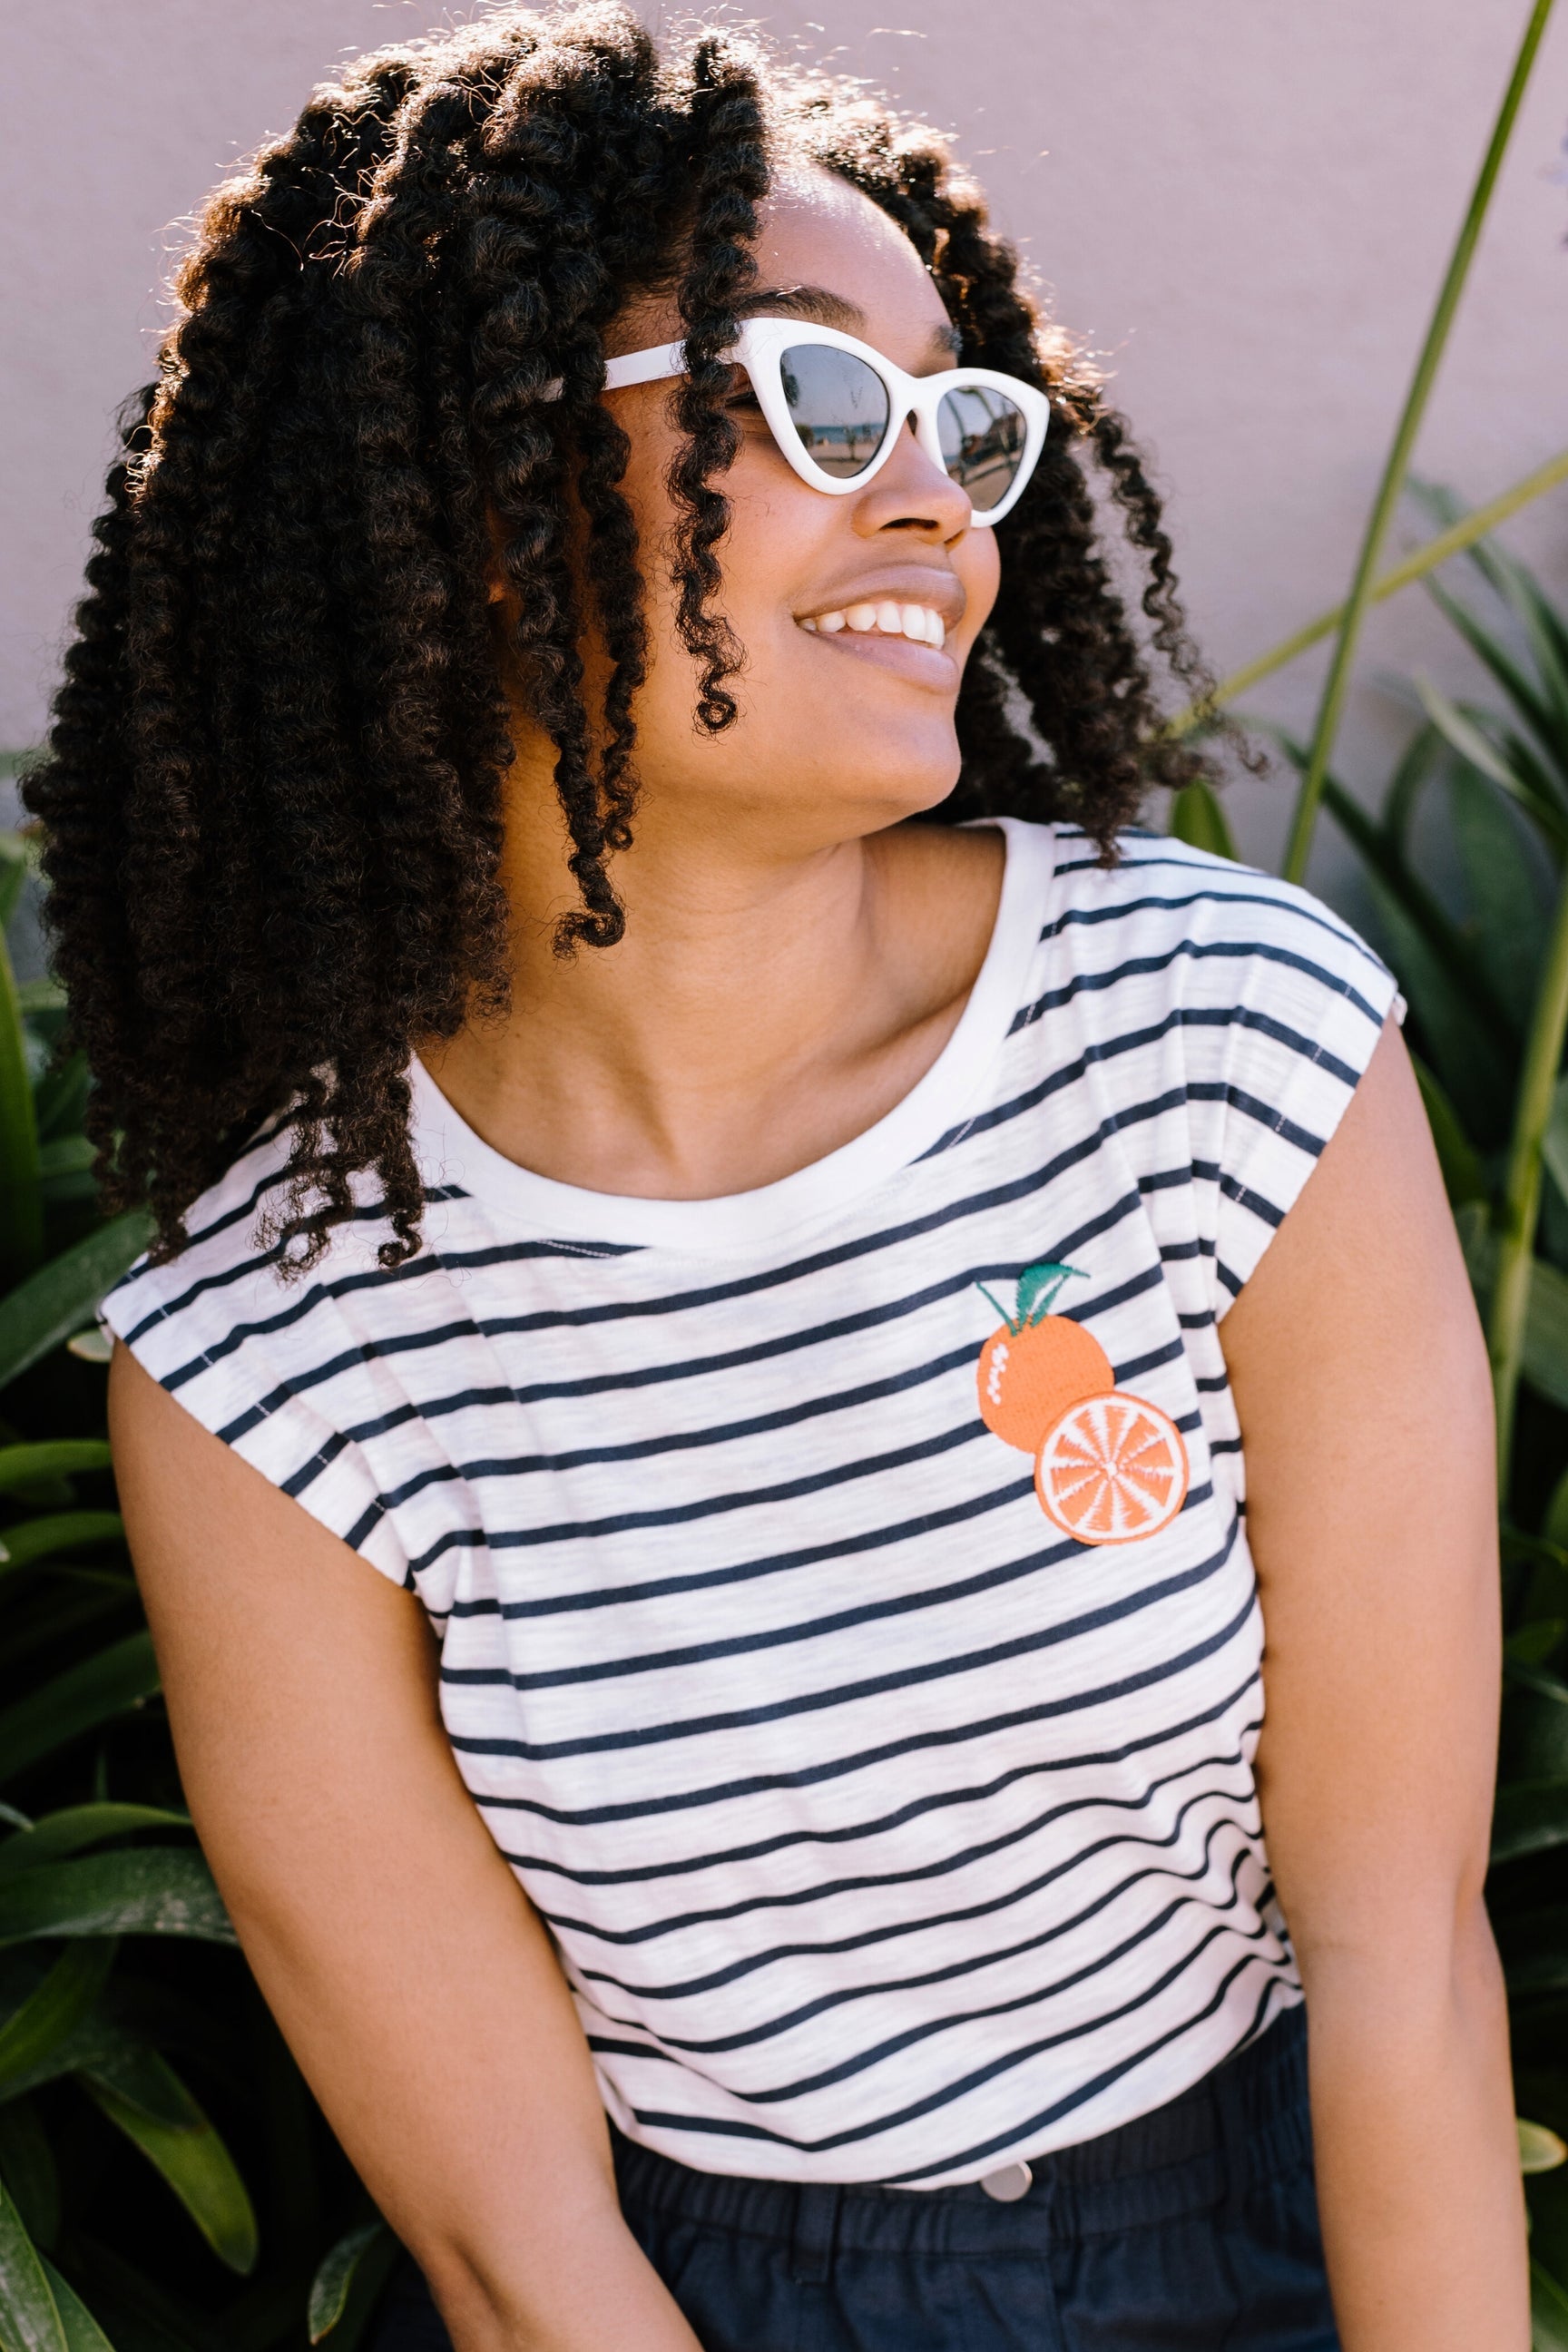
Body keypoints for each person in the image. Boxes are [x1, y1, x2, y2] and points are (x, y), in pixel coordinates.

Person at [27, 7, 1526, 2347]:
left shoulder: (1216, 1044)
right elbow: (519, 2254)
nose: (936, 501)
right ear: (481, 499)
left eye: (965, 422)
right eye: (822, 400)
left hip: (1274, 2212)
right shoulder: (273, 1358)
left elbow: (1404, 1949)